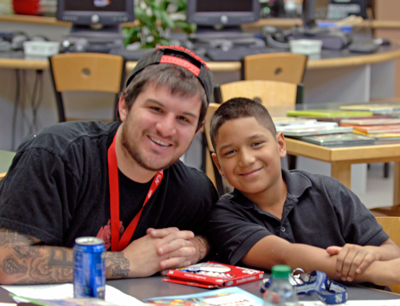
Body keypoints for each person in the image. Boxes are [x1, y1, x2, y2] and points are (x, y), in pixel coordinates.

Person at [0, 46, 218, 285]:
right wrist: (125, 262)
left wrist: (197, 247)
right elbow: (6, 263)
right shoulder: (57, 155)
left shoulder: (194, 191)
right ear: (124, 105)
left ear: (198, 130)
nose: (166, 129)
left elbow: (222, 236)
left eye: (183, 119)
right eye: (155, 109)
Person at [206, 97, 400, 287]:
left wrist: (374, 255)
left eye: (256, 144)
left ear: (280, 145)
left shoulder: (328, 191)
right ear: (218, 165)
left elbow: (392, 251)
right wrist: (378, 271)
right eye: (230, 152)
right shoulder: (224, 216)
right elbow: (285, 256)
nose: (246, 159)